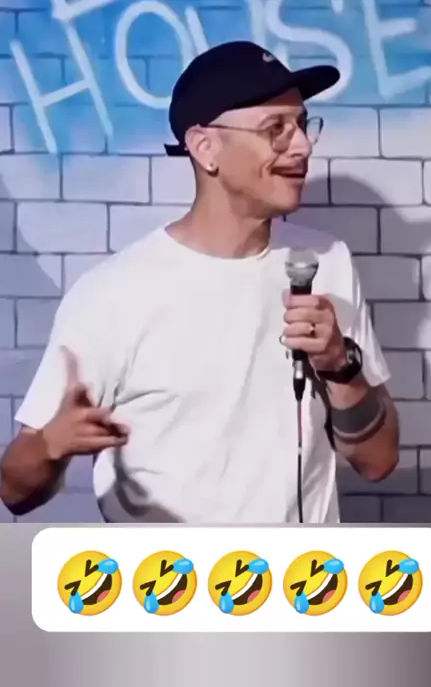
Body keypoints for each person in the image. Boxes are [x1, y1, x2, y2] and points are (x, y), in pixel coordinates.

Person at [0, 40, 398, 524]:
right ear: (206, 147)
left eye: (302, 124)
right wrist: (50, 445)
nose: (302, 146)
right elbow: (13, 491)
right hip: (166, 572)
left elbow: (378, 461)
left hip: (303, 573)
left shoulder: (325, 262)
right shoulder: (112, 295)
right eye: (275, 129)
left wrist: (340, 366)